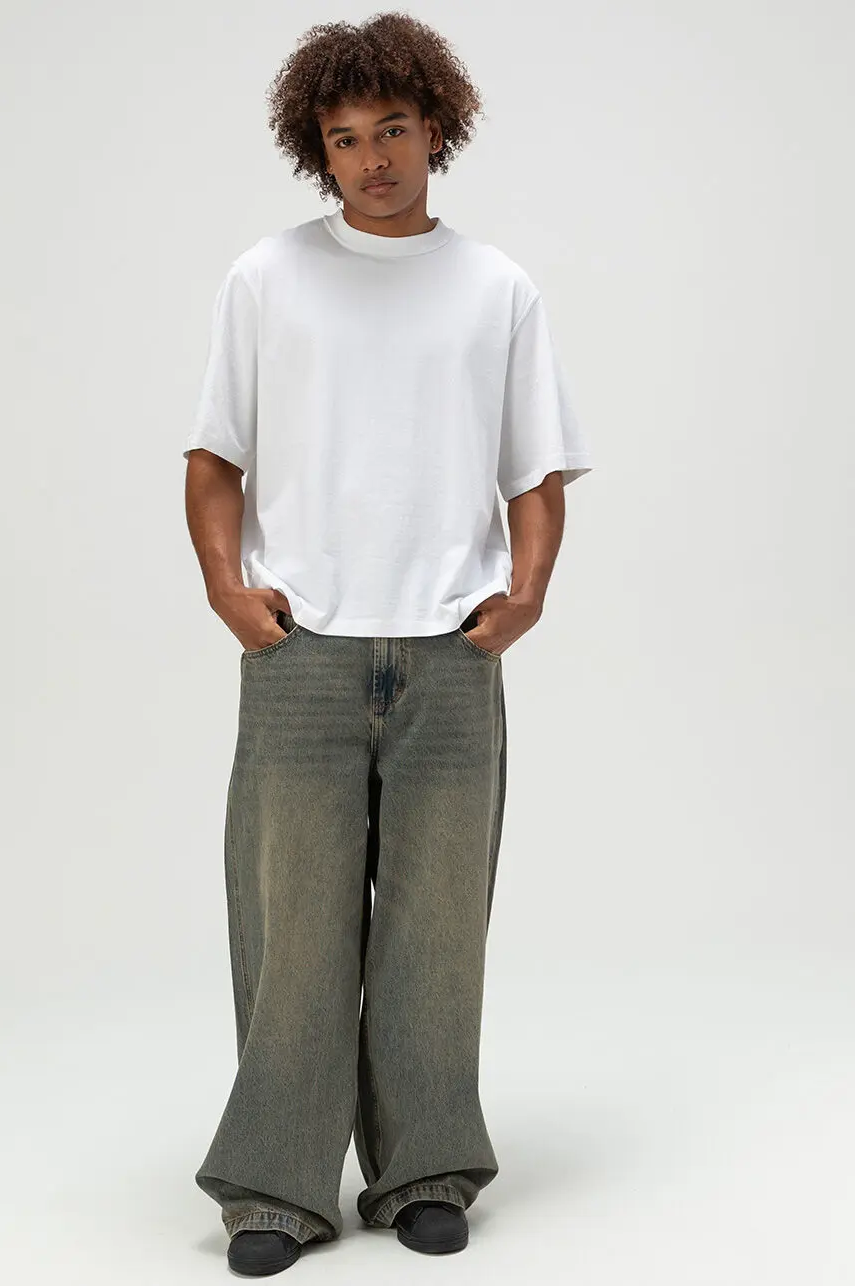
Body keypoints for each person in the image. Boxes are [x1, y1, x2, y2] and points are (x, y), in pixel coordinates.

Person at [183, 12, 594, 1277]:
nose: (372, 158)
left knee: (435, 931)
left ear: (436, 129)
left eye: (394, 130)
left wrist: (525, 594)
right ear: (319, 148)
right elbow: (214, 458)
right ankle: (275, 1187)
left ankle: (425, 1169)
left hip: (451, 654)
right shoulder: (266, 278)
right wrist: (226, 589)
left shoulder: (496, 287)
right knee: (293, 931)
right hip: (302, 651)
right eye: (346, 137)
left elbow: (536, 469)